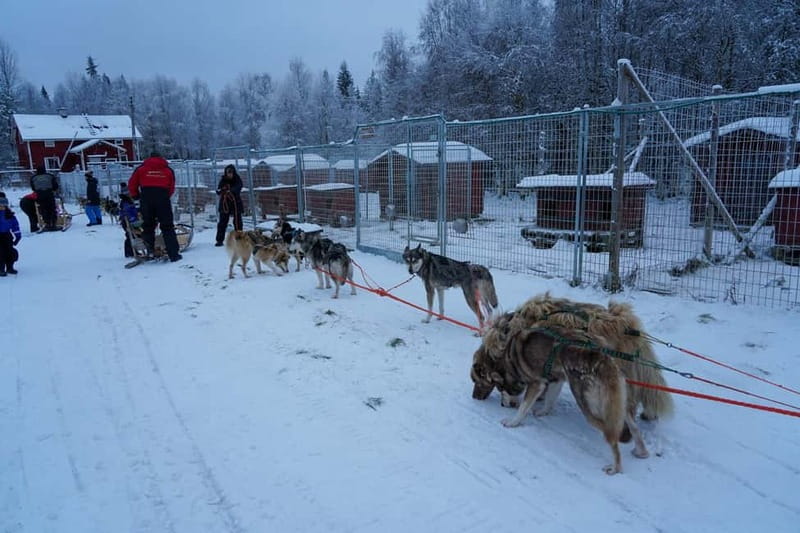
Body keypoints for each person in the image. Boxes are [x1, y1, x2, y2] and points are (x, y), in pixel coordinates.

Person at [127, 151, 182, 262]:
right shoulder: (168, 170)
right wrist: (165, 196)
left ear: (149, 157)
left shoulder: (141, 169)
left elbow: (132, 183)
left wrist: (136, 196)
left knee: (148, 226)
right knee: (167, 226)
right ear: (161, 157)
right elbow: (171, 186)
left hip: (146, 198)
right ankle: (173, 254)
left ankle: (150, 251)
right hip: (163, 198)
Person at [214, 164, 244, 246]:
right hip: (225, 204)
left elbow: (239, 187)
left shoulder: (237, 179)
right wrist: (222, 190)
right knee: (222, 222)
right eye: (228, 172)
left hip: (235, 203)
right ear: (226, 173)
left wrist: (231, 191)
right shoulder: (223, 180)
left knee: (238, 222)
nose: (230, 174)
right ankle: (219, 240)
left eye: (231, 172)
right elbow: (218, 190)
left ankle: (239, 239)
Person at [30, 165, 59, 231]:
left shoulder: (33, 177)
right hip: (49, 193)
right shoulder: (50, 176)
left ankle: (47, 223)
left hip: (39, 194)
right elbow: (55, 186)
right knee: (52, 209)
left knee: (43, 209)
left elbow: (33, 188)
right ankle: (53, 224)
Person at [0, 196, 21, 276]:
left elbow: (15, 226)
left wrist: (17, 236)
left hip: (7, 235)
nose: (1, 207)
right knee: (1, 252)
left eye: (3, 206)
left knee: (10, 251)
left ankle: (10, 267)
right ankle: (1, 269)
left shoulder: (9, 215)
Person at [119, 186, 140, 257]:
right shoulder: (125, 202)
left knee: (134, 235)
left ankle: (133, 251)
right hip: (127, 221)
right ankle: (129, 252)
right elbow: (127, 211)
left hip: (133, 220)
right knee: (130, 235)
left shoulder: (131, 200)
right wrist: (133, 219)